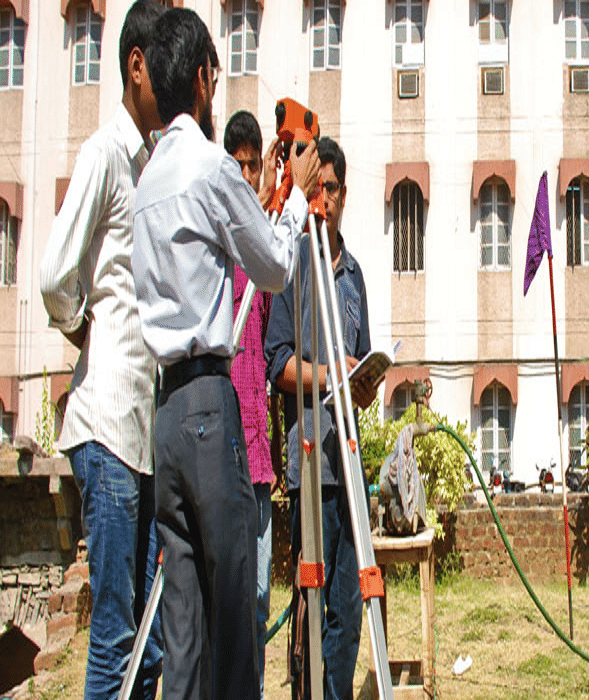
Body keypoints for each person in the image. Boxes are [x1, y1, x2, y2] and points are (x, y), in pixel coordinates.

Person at [131, 8, 319, 700]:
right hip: (212, 406)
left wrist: (262, 197)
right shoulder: (210, 166)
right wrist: (293, 197)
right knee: (237, 614)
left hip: (167, 413)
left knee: (185, 627)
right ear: (206, 78)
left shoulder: (150, 176)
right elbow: (270, 267)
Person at [39, 3, 166, 698]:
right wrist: (82, 326)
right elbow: (55, 272)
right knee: (117, 633)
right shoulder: (105, 153)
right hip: (109, 425)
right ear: (136, 63)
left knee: (148, 640)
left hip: (142, 435)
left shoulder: (151, 163)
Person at [264, 136, 377, 700]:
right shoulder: (293, 267)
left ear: (345, 194)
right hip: (310, 461)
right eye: (318, 188)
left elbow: (360, 363)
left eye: (333, 188)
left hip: (349, 460)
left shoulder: (354, 275)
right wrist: (332, 374)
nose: (325, 199)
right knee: (312, 604)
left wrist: (364, 382)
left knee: (349, 608)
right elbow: (278, 361)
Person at [222, 109, 280, 698]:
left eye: (252, 164)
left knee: (260, 592)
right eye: (235, 165)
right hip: (220, 452)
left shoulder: (261, 248)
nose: (245, 175)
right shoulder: (219, 244)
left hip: (259, 456)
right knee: (226, 596)